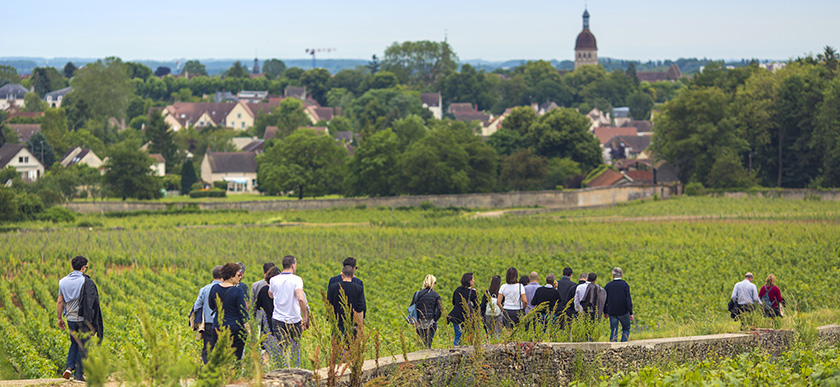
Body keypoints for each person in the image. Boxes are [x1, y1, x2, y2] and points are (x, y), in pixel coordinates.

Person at [57, 255, 102, 382]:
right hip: (84, 319)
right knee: (83, 346)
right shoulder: (86, 281)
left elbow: (60, 301)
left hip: (70, 319)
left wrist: (59, 318)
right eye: (86, 267)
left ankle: (69, 367)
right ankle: (78, 374)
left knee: (74, 343)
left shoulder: (62, 281)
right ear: (83, 267)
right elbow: (92, 303)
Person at [269, 255, 309, 367]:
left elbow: (270, 294)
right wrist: (305, 316)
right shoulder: (297, 279)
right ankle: (295, 368)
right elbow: (300, 298)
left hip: (278, 318)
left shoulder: (273, 280)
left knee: (281, 349)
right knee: (295, 348)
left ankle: (280, 369)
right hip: (294, 319)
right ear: (292, 265)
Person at [208, 263, 249, 360]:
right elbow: (243, 313)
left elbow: (211, 305)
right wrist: (249, 330)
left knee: (218, 356)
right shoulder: (238, 291)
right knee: (235, 358)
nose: (239, 278)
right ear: (231, 277)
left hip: (218, 327)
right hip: (235, 328)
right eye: (238, 275)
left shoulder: (214, 288)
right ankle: (233, 374)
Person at [192, 265, 223, 364]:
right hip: (223, 323)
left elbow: (196, 306)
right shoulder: (226, 289)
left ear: (212, 275)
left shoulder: (204, 289)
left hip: (208, 324)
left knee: (207, 350)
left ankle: (205, 371)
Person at [327, 265, 366, 338]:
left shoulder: (333, 287)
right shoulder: (358, 288)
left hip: (337, 324)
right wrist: (360, 327)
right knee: (351, 348)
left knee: (338, 347)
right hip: (352, 325)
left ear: (342, 275)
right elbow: (360, 309)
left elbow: (329, 305)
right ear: (352, 276)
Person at [410, 274, 442, 348]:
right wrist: (434, 320)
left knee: (422, 342)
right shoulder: (436, 295)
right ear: (433, 283)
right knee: (428, 343)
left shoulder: (417, 294)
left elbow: (411, 307)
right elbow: (440, 309)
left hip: (419, 322)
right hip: (431, 322)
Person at [447, 272, 478, 346]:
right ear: (469, 281)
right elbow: (477, 306)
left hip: (456, 316)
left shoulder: (457, 290)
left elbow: (454, 302)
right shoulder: (473, 292)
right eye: (473, 279)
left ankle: (455, 351)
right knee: (470, 336)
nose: (474, 281)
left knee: (458, 336)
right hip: (467, 318)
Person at [603, 267, 634, 342]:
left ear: (613, 275)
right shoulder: (625, 285)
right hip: (623, 311)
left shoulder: (608, 286)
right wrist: (630, 312)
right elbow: (628, 299)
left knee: (613, 329)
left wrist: (605, 311)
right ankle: (623, 345)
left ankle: (613, 346)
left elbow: (605, 300)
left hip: (612, 312)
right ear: (622, 275)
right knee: (626, 328)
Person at [254, 266, 281, 340]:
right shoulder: (280, 290)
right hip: (279, 321)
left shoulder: (263, 290)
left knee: (266, 347)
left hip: (266, 322)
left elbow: (258, 306)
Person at [251, 262, 276, 333]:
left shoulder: (256, 285)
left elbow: (253, 305)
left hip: (261, 319)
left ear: (263, 271)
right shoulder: (279, 285)